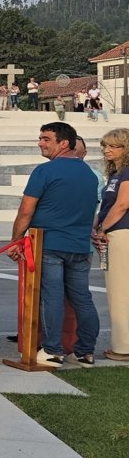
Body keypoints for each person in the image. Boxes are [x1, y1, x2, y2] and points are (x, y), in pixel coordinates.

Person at [9, 122, 100, 367]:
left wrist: (15, 240)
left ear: (64, 143)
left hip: (49, 243)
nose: (40, 143)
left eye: (46, 139)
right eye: (40, 138)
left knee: (52, 297)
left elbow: (26, 210)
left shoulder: (45, 171)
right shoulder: (90, 175)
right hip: (79, 246)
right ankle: (86, 351)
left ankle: (52, 350)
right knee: (82, 298)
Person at [96, 129, 129, 362]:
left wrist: (101, 228)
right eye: (105, 146)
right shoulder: (117, 173)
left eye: (113, 146)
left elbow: (122, 205)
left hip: (122, 233)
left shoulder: (126, 173)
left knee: (120, 292)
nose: (107, 150)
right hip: (115, 232)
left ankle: (123, 347)